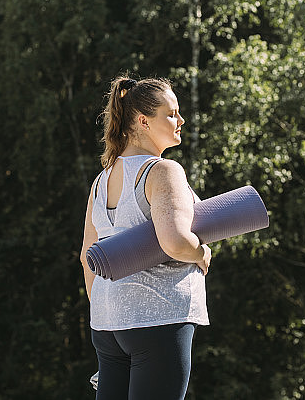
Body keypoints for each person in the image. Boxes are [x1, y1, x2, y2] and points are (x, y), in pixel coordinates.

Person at [80, 76, 211, 400]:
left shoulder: (102, 179)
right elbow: (175, 242)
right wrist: (200, 253)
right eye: (171, 113)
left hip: (108, 325)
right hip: (159, 318)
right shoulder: (163, 170)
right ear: (143, 120)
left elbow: (88, 256)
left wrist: (106, 310)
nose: (180, 121)